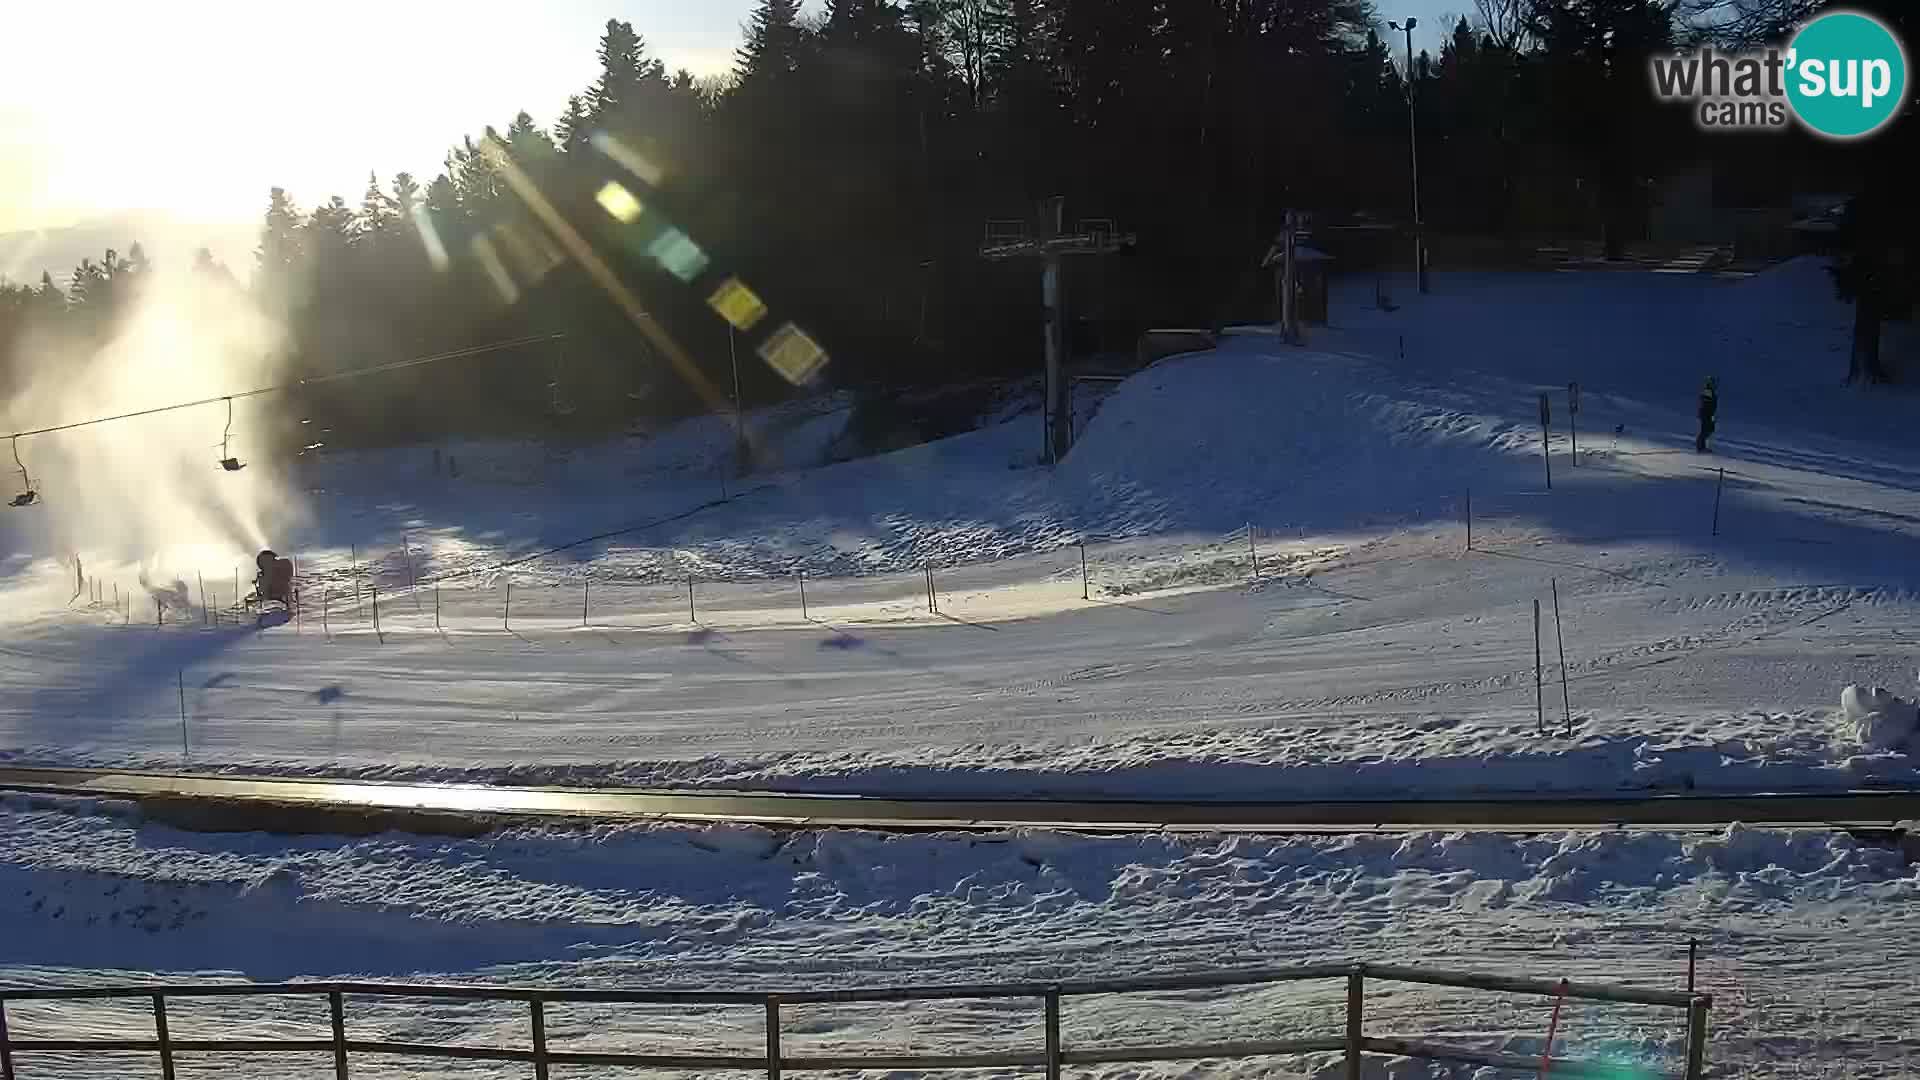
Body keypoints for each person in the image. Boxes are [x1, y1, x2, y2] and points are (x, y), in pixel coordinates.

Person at [1695, 376, 1717, 453]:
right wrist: (1709, 413)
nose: (1713, 384)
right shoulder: (1707, 390)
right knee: (1705, 430)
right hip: (1706, 414)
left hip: (1710, 414)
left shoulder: (1711, 391)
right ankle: (1700, 447)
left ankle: (1702, 446)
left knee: (1710, 429)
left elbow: (1712, 404)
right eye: (1712, 382)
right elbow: (1705, 403)